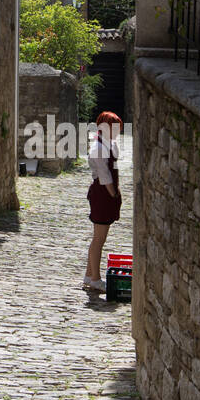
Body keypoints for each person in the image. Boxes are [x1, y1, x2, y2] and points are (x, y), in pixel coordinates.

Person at [83, 110, 122, 293]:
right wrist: (114, 195)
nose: (117, 132)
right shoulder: (98, 148)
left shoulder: (108, 144)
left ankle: (89, 275)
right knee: (99, 239)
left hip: (105, 193)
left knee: (99, 238)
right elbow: (105, 176)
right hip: (102, 194)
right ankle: (96, 279)